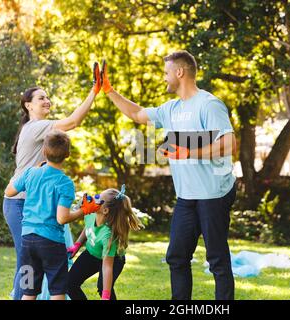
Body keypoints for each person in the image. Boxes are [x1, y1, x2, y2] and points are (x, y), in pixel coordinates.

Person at [101, 50, 237, 300]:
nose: (163, 78)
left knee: (216, 258)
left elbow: (229, 144)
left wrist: (188, 152)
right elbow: (137, 114)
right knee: (176, 256)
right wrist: (109, 91)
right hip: (187, 197)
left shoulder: (209, 104)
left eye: (165, 73)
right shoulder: (170, 109)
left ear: (180, 72)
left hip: (213, 194)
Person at [3, 62, 103, 300]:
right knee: (25, 262)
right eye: (41, 98)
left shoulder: (41, 130)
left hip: (30, 200)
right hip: (19, 202)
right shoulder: (35, 126)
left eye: (48, 97)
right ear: (28, 105)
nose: (47, 101)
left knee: (29, 260)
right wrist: (94, 91)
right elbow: (72, 123)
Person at [4, 130, 101, 300]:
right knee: (57, 290)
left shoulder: (30, 173)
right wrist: (85, 210)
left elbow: (9, 191)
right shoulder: (65, 183)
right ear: (67, 155)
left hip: (27, 242)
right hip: (51, 243)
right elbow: (62, 218)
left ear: (43, 151)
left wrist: (28, 174)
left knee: (28, 291)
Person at [67, 185, 143, 300]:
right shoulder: (91, 214)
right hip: (92, 254)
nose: (94, 199)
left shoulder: (108, 236)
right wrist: (77, 245)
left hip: (113, 259)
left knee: (103, 288)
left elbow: (107, 267)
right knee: (70, 283)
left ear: (105, 210)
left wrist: (105, 296)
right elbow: (88, 228)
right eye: (97, 195)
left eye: (98, 199)